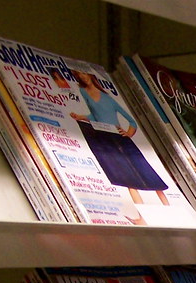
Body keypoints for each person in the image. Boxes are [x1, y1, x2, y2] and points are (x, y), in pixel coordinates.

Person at [67, 68, 170, 219]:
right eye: (79, 75)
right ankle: (142, 217)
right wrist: (80, 117)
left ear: (90, 75)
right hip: (105, 137)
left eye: (84, 73)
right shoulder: (83, 93)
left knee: (146, 171)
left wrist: (129, 132)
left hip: (121, 137)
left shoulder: (108, 98)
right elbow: (95, 116)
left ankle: (169, 210)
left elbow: (131, 121)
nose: (82, 76)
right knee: (128, 177)